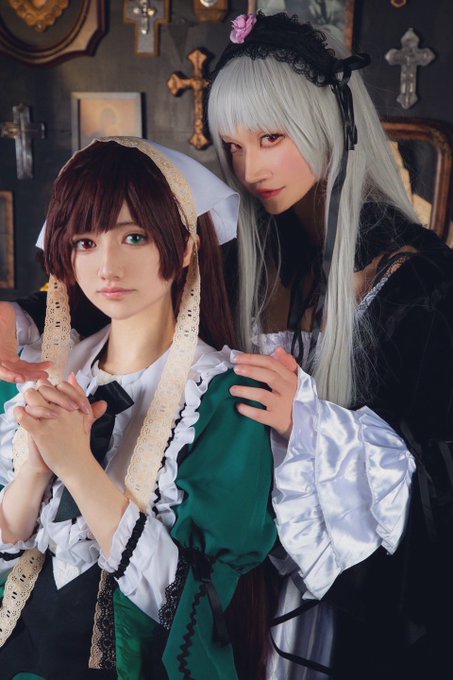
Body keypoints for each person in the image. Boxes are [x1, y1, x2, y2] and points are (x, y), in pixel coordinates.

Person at [206, 11, 453, 680]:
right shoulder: (243, 261)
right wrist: (26, 315)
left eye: (271, 137)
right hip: (243, 590)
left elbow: (436, 482)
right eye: (233, 146)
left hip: (356, 612)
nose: (250, 168)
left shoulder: (421, 284)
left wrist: (310, 427)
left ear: (328, 126)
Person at [0, 137, 277, 679]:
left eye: (134, 236)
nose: (107, 266)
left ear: (186, 247)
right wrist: (34, 470)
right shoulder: (46, 369)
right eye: (85, 242)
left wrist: (78, 468)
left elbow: (196, 605)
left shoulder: (225, 398)